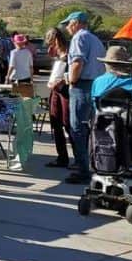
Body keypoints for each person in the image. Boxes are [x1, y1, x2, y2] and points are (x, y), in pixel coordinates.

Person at [61, 11, 106, 185]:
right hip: (96, 85)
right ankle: (94, 165)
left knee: (77, 128)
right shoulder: (95, 39)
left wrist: (71, 80)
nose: (67, 27)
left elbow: (78, 62)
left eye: (68, 24)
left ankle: (82, 169)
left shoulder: (79, 38)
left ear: (76, 23)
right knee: (91, 128)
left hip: (82, 85)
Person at [44, 27, 72, 169]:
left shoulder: (69, 54)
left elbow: (72, 75)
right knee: (56, 124)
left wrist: (62, 82)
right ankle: (62, 157)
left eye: (51, 44)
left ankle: (79, 159)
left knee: (68, 124)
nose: (50, 47)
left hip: (66, 93)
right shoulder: (60, 55)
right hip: (56, 92)